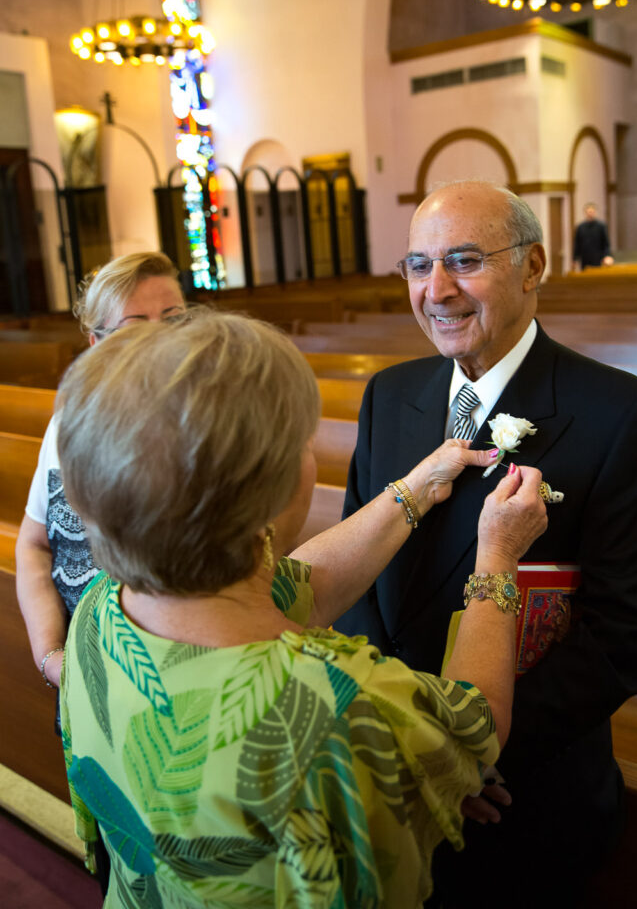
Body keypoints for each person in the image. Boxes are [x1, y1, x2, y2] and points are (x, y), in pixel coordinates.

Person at [58, 311, 547, 907]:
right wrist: (497, 555)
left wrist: (417, 488)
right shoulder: (331, 712)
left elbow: (301, 586)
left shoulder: (100, 607)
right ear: (267, 485)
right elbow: (477, 724)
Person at [336, 180, 637, 906]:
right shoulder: (389, 395)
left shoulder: (619, 414)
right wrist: (393, 731)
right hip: (388, 771)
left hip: (520, 791)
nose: (436, 290)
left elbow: (622, 631)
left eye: (464, 261)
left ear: (532, 267)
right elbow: (355, 576)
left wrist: (465, 752)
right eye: (419, 265)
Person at [15, 251, 187, 693]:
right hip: (79, 682)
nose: (161, 338)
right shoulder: (67, 424)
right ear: (97, 344)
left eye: (174, 319)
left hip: (174, 685)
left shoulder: (212, 429)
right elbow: (33, 545)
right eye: (135, 326)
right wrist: (52, 658)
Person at [573, 201, 614, 270]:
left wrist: (607, 255)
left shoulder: (601, 226)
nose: (590, 214)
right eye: (588, 212)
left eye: (592, 212)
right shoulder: (580, 227)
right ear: (585, 213)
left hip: (598, 257)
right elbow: (577, 244)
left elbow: (606, 243)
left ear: (595, 212)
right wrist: (575, 258)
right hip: (585, 257)